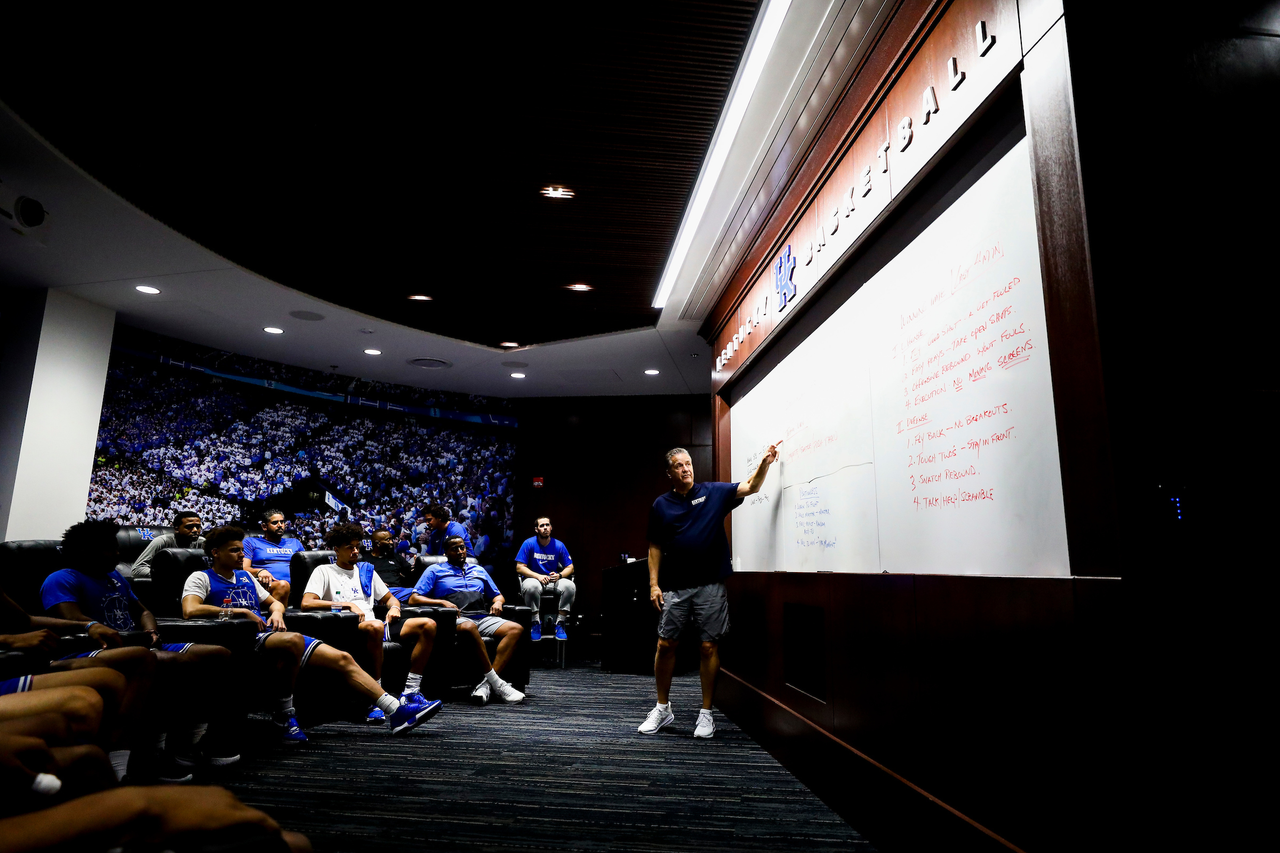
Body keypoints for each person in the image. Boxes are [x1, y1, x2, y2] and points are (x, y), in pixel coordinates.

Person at [182, 526, 438, 740]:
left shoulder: (246, 579)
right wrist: (240, 613)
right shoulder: (200, 577)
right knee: (293, 640)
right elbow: (190, 611)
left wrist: (277, 612)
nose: (241, 554)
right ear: (215, 553)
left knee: (343, 659)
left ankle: (395, 711)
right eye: (234, 550)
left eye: (241, 549)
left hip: (264, 635)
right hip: (236, 638)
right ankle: (284, 715)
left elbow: (274, 602)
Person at [41, 519, 238, 774]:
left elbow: (142, 610)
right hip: (92, 649)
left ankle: (190, 743)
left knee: (217, 655)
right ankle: (153, 753)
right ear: (85, 552)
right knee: (172, 662)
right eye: (110, 548)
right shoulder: (61, 579)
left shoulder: (114, 577)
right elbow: (70, 619)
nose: (118, 553)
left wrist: (151, 630)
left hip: (137, 644)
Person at [638, 443, 778, 739]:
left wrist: (765, 462)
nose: (686, 468)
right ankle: (662, 708)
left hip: (711, 585)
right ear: (670, 473)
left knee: (708, 647)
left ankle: (705, 714)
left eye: (688, 463)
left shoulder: (713, 492)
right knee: (666, 645)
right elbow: (654, 546)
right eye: (679, 465)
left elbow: (752, 486)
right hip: (675, 587)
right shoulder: (661, 504)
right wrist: (653, 584)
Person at [301, 523, 442, 727]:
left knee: (427, 624)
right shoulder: (324, 571)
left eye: (358, 546)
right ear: (337, 549)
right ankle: (375, 699)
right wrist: (346, 605)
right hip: (347, 628)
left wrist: (394, 608)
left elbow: (390, 599)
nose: (356, 551)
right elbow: (307, 603)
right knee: (375, 625)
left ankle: (411, 692)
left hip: (375, 624)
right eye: (350, 547)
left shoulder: (366, 571)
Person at [409, 536, 524, 705]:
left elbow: (498, 595)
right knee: (469, 627)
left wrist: (498, 602)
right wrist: (440, 602)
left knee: (515, 629)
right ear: (446, 552)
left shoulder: (479, 570)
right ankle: (497, 683)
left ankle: (486, 686)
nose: (460, 552)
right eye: (455, 549)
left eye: (462, 548)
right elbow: (414, 598)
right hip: (455, 619)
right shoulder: (434, 570)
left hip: (482, 617)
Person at [514, 516, 576, 641]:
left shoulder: (558, 545)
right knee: (532, 586)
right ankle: (535, 623)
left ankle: (560, 623)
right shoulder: (529, 543)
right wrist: (538, 576)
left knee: (570, 586)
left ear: (551, 528)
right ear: (536, 529)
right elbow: (520, 568)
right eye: (542, 526)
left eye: (547, 525)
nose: (545, 528)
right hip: (534, 579)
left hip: (553, 580)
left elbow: (570, 567)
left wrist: (560, 575)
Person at [241, 509, 300, 606]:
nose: (280, 525)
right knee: (283, 585)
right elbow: (243, 568)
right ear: (264, 526)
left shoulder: (295, 542)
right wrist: (259, 571)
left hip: (296, 587)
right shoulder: (251, 542)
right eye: (275, 522)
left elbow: (305, 567)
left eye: (282, 522)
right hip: (265, 585)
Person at [129, 510, 204, 578]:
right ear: (177, 529)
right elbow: (137, 569)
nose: (195, 530)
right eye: (189, 527)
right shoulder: (162, 542)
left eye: (198, 527)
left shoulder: (203, 543)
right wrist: (165, 575)